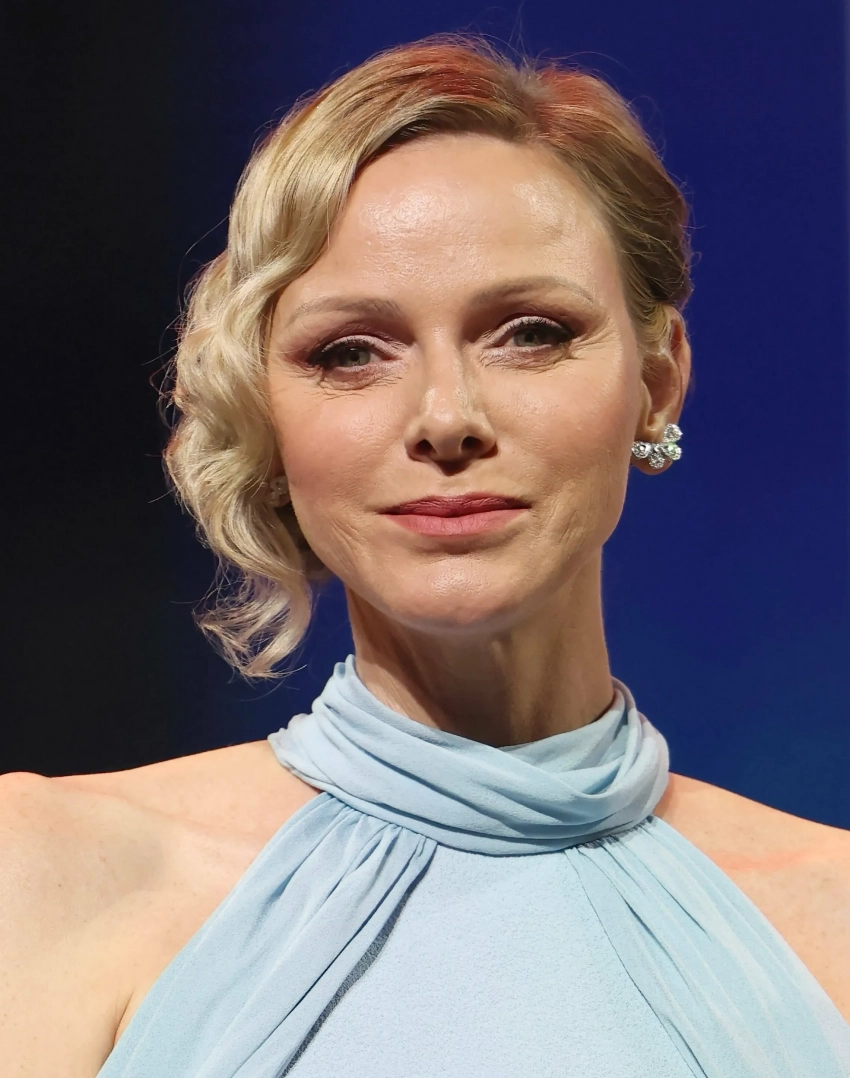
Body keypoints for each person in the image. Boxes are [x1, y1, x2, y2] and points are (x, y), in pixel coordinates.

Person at [2, 33, 848, 1078]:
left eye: (530, 332)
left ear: (658, 380)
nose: (446, 418)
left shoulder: (833, 923)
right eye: (350, 352)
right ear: (264, 408)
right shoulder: (46, 880)